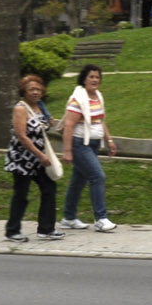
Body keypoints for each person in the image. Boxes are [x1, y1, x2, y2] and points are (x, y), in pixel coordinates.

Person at [3, 74, 63, 243]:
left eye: (38, 89)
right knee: (21, 194)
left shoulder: (40, 107)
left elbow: (41, 129)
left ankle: (46, 229)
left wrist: (50, 123)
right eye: (31, 90)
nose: (36, 92)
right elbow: (22, 136)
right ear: (24, 91)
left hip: (38, 159)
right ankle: (12, 231)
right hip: (22, 158)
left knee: (49, 189)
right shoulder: (20, 109)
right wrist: (41, 155)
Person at [59, 63, 118, 232]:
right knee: (97, 176)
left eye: (97, 77)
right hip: (79, 144)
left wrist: (109, 140)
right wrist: (67, 151)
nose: (95, 80)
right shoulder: (78, 99)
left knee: (78, 181)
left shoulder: (97, 96)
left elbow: (100, 121)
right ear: (84, 79)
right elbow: (69, 126)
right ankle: (101, 218)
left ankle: (69, 217)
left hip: (93, 144)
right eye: (91, 77)